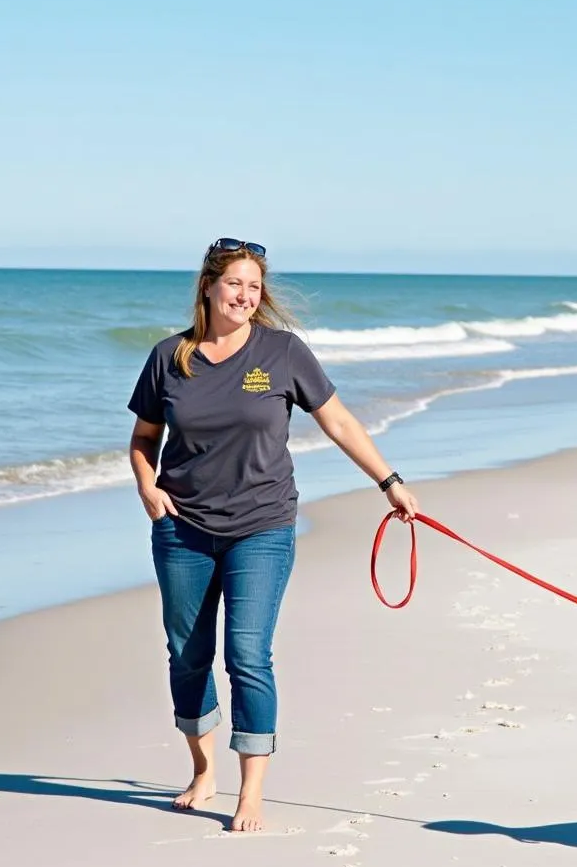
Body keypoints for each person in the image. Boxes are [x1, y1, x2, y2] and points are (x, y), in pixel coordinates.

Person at [127, 237, 418, 832]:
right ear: (208, 287)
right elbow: (142, 438)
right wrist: (147, 486)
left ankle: (251, 793)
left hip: (262, 526)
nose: (245, 295)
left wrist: (389, 480)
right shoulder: (169, 357)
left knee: (248, 655)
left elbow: (336, 420)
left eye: (254, 286)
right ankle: (203, 770)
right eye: (235, 283)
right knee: (186, 656)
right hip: (182, 528)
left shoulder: (282, 353)